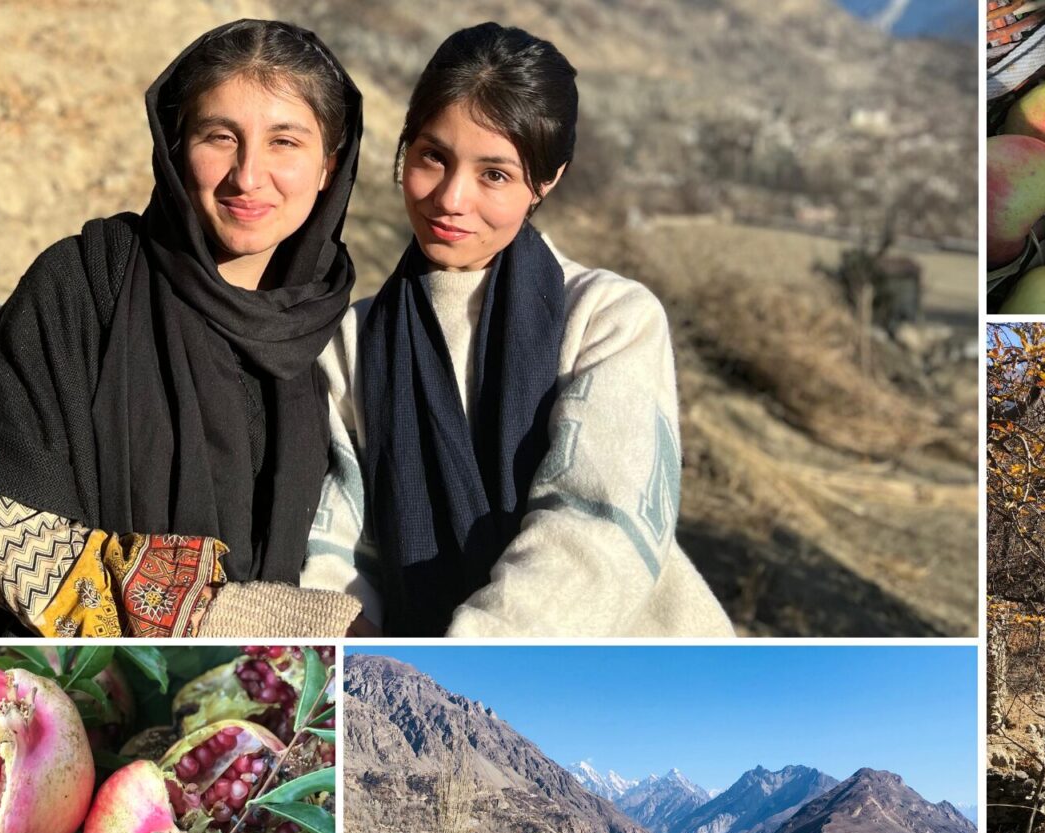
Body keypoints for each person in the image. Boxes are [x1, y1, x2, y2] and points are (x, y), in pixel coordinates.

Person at [0, 20, 367, 636]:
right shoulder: (84, 285)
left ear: (330, 162)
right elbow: (11, 538)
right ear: (174, 145)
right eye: (219, 136)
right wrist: (230, 617)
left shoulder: (341, 331)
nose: (247, 176)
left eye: (285, 142)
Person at [301, 22, 734, 637]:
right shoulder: (353, 341)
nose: (451, 198)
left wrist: (465, 653)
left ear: (546, 180)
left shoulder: (606, 318)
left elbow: (593, 531)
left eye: (494, 175)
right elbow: (334, 544)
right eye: (432, 157)